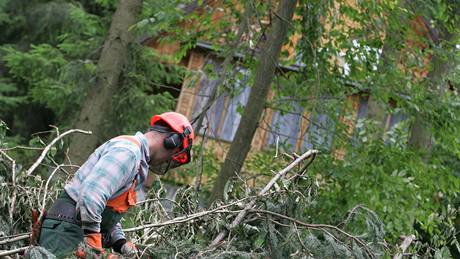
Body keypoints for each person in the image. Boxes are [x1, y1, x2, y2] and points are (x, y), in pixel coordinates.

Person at [37, 112, 194, 257]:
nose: (166, 161)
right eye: (171, 157)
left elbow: (107, 208)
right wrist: (93, 240)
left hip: (74, 230)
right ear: (171, 142)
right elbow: (91, 196)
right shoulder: (128, 152)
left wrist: (120, 243)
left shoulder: (137, 160)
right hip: (67, 232)